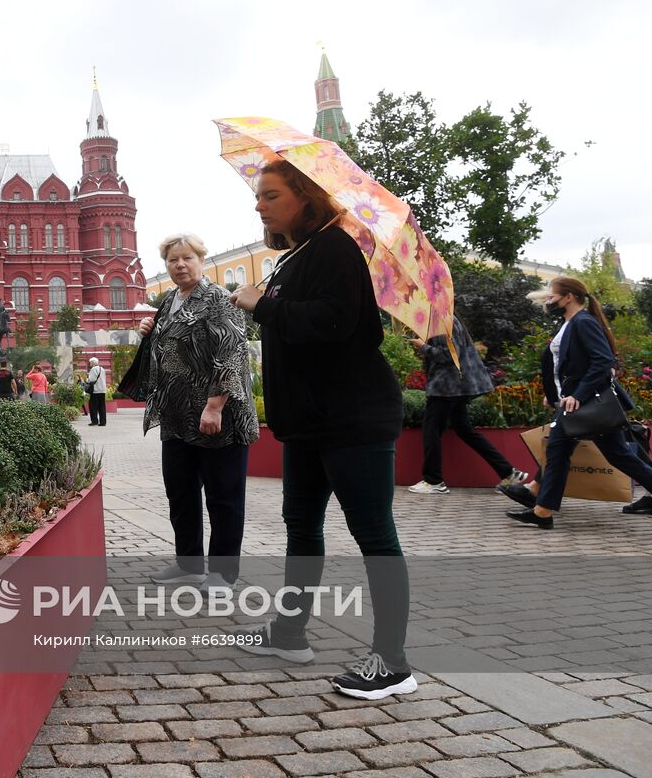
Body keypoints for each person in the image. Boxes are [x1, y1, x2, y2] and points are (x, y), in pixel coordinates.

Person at [228, 159, 415, 701]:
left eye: (270, 195)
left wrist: (264, 305)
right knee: (301, 528)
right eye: (258, 195)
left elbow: (335, 324)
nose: (258, 204)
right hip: (309, 422)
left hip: (352, 417)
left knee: (375, 535)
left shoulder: (335, 248)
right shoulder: (294, 257)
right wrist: (267, 301)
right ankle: (289, 633)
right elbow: (293, 317)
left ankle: (394, 662)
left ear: (305, 199)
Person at [137, 232, 258, 591]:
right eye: (173, 260)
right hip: (176, 417)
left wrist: (215, 405)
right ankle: (188, 563)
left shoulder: (219, 299)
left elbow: (231, 354)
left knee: (223, 497)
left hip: (217, 416)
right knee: (181, 493)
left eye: (188, 258)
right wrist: (150, 330)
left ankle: (222, 574)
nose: (180, 265)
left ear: (201, 261)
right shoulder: (170, 300)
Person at [497, 276, 652, 529]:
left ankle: (542, 510)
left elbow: (603, 361)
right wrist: (558, 395)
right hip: (572, 404)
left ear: (568, 297)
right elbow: (567, 366)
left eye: (552, 298)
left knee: (619, 457)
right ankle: (542, 511)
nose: (548, 302)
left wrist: (578, 395)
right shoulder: (570, 323)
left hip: (583, 405)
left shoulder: (583, 322)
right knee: (559, 452)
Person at [406, 317, 530, 494]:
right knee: (465, 430)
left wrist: (423, 346)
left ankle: (433, 481)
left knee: (431, 430)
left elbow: (448, 354)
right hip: (457, 386)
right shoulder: (447, 319)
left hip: (446, 388)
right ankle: (508, 473)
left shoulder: (441, 321)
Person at [85, 357, 107, 426]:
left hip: (95, 391)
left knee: (93, 406)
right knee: (102, 407)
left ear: (93, 363)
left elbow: (91, 380)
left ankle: (94, 421)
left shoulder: (93, 369)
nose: (90, 364)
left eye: (90, 362)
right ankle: (103, 422)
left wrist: (87, 378)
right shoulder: (102, 369)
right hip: (102, 390)